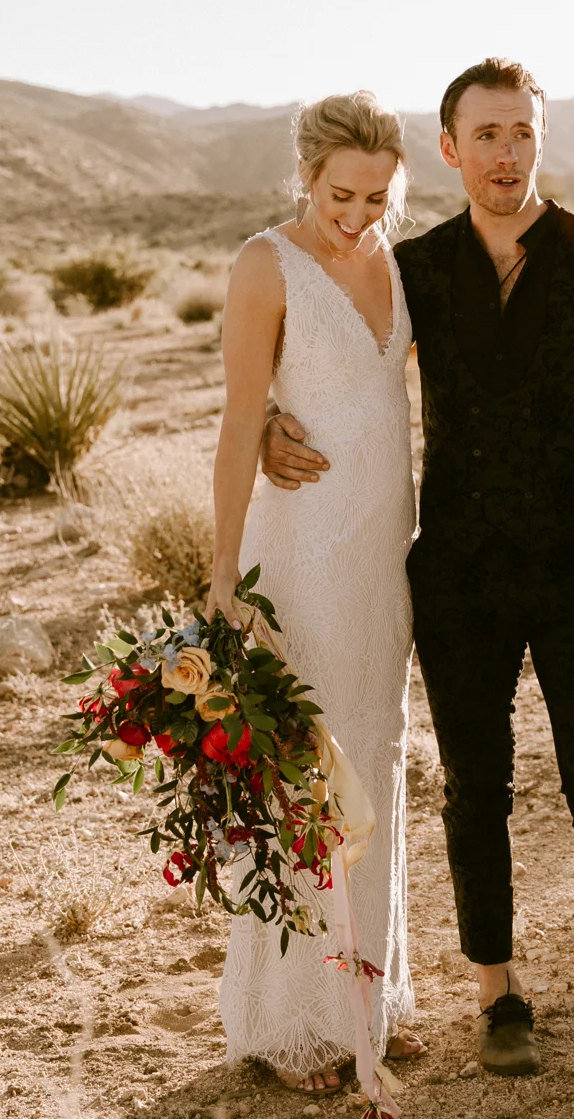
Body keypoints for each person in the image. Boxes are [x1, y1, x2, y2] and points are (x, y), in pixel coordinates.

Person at [263, 58, 574, 1109]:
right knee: (473, 791)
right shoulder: (415, 268)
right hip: (456, 572)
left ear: (540, 140)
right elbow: (323, 350)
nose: (506, 155)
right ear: (450, 149)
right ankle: (498, 998)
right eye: (486, 135)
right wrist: (267, 420)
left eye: (522, 133)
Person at [208, 90, 425, 1095]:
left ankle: (367, 998)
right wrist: (222, 571)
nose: (357, 214)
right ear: (305, 175)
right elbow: (237, 416)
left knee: (375, 760)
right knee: (309, 772)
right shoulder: (267, 263)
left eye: (377, 197)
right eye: (342, 194)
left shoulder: (399, 260)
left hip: (384, 556)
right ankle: (295, 1020)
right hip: (302, 552)